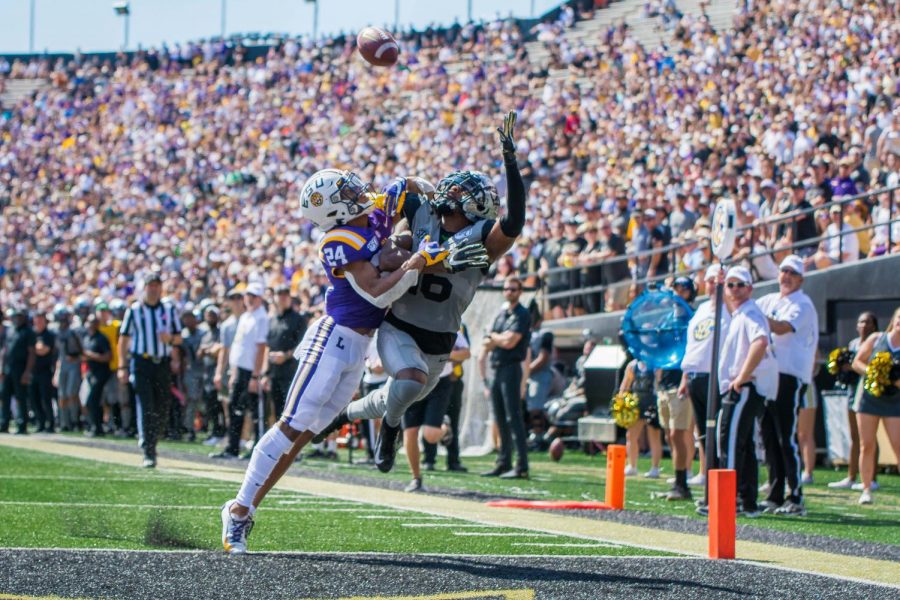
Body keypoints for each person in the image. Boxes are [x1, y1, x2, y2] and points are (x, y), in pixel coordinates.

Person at [219, 167, 436, 554]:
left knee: (303, 436)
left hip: (357, 347)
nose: (359, 193)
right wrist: (414, 262)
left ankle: (246, 509)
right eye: (347, 192)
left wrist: (429, 197)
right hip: (333, 338)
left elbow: (406, 187)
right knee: (290, 426)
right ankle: (237, 510)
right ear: (333, 211)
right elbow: (375, 294)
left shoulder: (368, 215)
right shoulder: (338, 240)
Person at [318, 111, 526, 475]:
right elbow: (384, 254)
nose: (450, 189)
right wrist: (428, 259)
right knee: (408, 381)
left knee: (396, 394)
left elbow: (514, 222)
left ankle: (347, 415)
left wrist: (511, 162)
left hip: (441, 340)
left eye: (461, 190)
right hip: (399, 325)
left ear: (474, 205)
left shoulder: (483, 238)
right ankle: (391, 431)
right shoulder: (418, 213)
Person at [705, 265, 778, 517]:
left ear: (750, 288)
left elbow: (760, 342)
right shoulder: (741, 313)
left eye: (739, 285)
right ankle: (746, 499)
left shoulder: (749, 313)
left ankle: (731, 499)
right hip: (745, 386)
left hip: (745, 386)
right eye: (730, 285)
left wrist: (742, 378)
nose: (734, 290)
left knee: (730, 442)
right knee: (742, 443)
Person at [756, 255, 819, 516]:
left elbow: (782, 328)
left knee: (786, 436)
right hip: (769, 374)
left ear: (801, 279)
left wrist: (752, 313)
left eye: (792, 273)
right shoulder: (770, 300)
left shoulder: (803, 303)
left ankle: (796, 495)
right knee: (769, 435)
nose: (786, 276)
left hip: (789, 376)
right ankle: (775, 493)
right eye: (784, 271)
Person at [117, 272, 183, 468]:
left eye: (157, 285)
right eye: (150, 285)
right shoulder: (134, 310)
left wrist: (169, 339)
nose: (153, 289)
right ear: (144, 287)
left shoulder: (169, 310)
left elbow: (179, 338)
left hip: (161, 363)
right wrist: (122, 366)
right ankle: (149, 450)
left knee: (162, 407)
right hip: (141, 363)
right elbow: (124, 340)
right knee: (146, 405)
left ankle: (151, 441)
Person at [678, 265, 729, 492]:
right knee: (703, 433)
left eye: (715, 281)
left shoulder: (728, 309)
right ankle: (709, 481)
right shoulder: (700, 311)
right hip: (696, 376)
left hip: (715, 376)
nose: (711, 285)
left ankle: (720, 483)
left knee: (717, 432)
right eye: (708, 281)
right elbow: (693, 346)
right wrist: (685, 377)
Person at [402, 328, 470, 491]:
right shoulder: (405, 323)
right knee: (410, 433)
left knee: (430, 436)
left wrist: (443, 355)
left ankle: (445, 429)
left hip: (439, 383)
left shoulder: (447, 324)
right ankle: (416, 478)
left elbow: (466, 353)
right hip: (412, 380)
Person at [211, 281, 270, 459]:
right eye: (248, 296)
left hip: (251, 371)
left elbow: (261, 348)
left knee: (254, 411)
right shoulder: (246, 316)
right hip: (240, 369)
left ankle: (257, 449)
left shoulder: (261, 317)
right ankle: (233, 447)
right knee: (235, 408)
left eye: (253, 296)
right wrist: (234, 370)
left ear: (260, 298)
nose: (250, 299)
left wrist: (255, 375)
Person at [481, 275, 532, 479]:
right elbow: (486, 342)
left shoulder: (522, 313)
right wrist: (497, 339)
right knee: (499, 417)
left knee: (514, 417)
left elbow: (511, 342)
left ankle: (522, 466)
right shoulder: (501, 313)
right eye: (507, 289)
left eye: (513, 289)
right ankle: (503, 462)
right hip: (497, 367)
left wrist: (495, 338)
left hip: (511, 368)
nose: (509, 292)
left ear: (520, 292)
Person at [850, 307, 900, 505]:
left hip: (894, 402)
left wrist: (893, 379)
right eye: (899, 318)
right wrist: (875, 373)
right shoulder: (877, 339)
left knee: (898, 445)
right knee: (867, 444)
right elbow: (857, 362)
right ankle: (866, 488)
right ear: (894, 319)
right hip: (868, 399)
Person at [828, 312, 878, 490]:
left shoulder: (876, 343)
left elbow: (870, 367)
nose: (864, 325)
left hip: (868, 391)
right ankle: (851, 475)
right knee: (855, 437)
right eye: (861, 322)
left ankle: (871, 479)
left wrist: (854, 367)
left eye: (868, 322)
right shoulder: (853, 344)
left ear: (874, 325)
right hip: (852, 391)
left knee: (869, 439)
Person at [657, 277, 696, 501]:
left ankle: (683, 481)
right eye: (675, 288)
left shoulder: (692, 317)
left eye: (683, 289)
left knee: (678, 433)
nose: (678, 293)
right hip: (665, 382)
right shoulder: (668, 319)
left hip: (680, 381)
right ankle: (678, 476)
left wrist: (685, 377)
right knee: (669, 435)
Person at [264, 284, 307, 420]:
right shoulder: (271, 320)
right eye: (279, 294)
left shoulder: (298, 319)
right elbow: (267, 347)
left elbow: (303, 345)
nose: (283, 297)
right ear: (275, 297)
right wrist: (265, 373)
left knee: (290, 412)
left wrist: (286, 355)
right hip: (274, 373)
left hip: (291, 373)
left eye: (285, 294)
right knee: (277, 412)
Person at [619, 358, 662, 478]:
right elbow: (626, 384)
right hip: (636, 403)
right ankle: (632, 465)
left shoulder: (655, 365)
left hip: (652, 404)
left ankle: (655, 467)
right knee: (631, 435)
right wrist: (621, 400)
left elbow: (659, 385)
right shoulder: (632, 365)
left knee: (654, 436)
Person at [0, 306, 35, 434]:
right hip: (8, 368)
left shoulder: (29, 332)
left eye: (20, 316)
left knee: (21, 397)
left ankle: (22, 425)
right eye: (16, 316)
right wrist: (2, 368)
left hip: (21, 368)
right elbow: (4, 350)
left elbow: (32, 353)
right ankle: (4, 423)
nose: (17, 319)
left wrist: (27, 372)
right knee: (4, 396)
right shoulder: (10, 330)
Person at [524, 303, 554, 448]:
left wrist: (526, 371)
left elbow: (543, 357)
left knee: (536, 407)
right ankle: (533, 434)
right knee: (528, 407)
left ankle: (540, 436)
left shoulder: (545, 333)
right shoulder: (524, 332)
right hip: (527, 375)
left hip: (540, 375)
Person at [197, 305, 226, 445]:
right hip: (206, 374)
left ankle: (220, 432)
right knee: (209, 405)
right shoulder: (205, 333)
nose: (210, 318)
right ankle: (213, 431)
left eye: (213, 315)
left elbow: (218, 351)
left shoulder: (221, 332)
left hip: (218, 373)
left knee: (219, 405)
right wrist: (205, 351)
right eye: (208, 315)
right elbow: (199, 353)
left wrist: (207, 351)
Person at [52, 305, 83, 432]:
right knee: (62, 395)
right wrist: (57, 370)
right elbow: (57, 353)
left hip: (74, 364)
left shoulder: (74, 331)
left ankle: (75, 420)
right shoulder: (56, 332)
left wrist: (76, 358)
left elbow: (82, 350)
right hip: (62, 364)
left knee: (71, 393)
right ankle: (64, 422)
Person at [82, 315, 112, 437]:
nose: (91, 324)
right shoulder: (87, 338)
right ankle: (96, 427)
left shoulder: (101, 338)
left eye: (94, 322)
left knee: (92, 400)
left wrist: (92, 355)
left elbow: (108, 357)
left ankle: (97, 427)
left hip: (101, 372)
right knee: (93, 401)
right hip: (91, 372)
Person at [29, 310, 57, 433]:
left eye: (40, 319)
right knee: (34, 398)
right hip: (33, 371)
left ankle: (50, 424)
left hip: (45, 371)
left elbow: (43, 350)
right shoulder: (32, 334)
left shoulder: (48, 334)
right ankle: (40, 423)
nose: (38, 322)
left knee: (46, 399)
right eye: (36, 319)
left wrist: (31, 349)